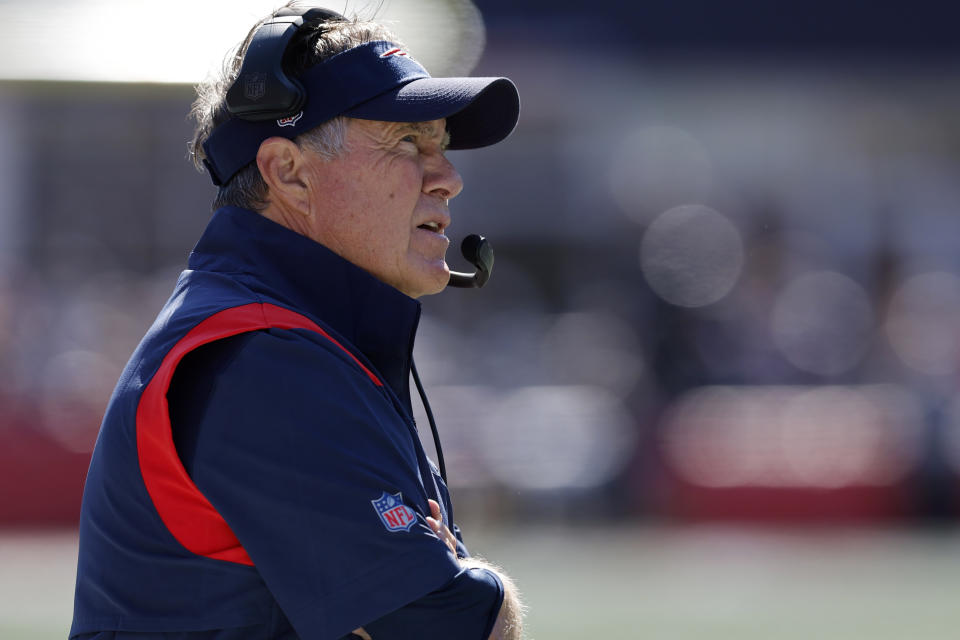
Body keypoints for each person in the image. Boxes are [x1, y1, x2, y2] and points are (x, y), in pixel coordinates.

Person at [69, 4, 523, 640]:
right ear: (288, 172)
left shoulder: (284, 337)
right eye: (407, 143)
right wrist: (492, 593)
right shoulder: (265, 354)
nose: (448, 178)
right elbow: (453, 630)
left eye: (441, 146)